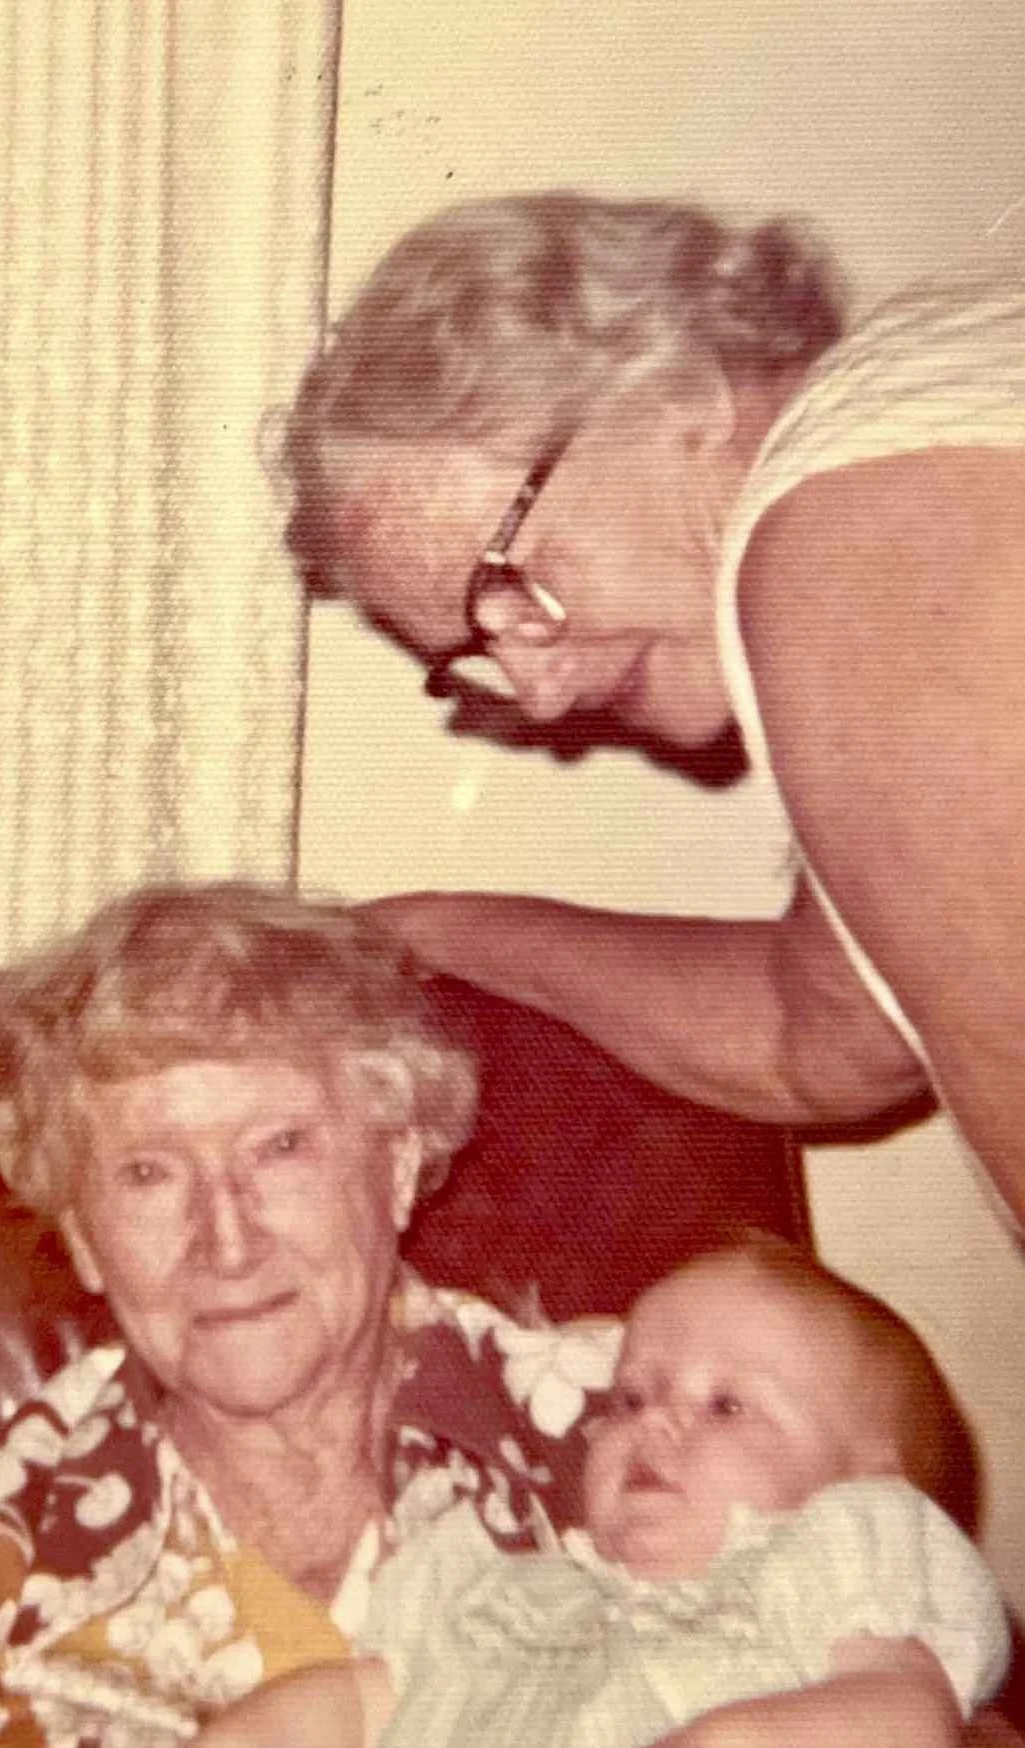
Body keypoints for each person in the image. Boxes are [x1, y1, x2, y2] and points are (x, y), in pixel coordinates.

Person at [0, 882, 626, 1748]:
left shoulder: (630, 1440)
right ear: (82, 1236)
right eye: (148, 1172)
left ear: (399, 1165)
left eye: (280, 1147)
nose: (227, 1240)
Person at [276, 193, 1025, 1238]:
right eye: (476, 652)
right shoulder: (910, 422)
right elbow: (827, 1034)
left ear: (684, 396)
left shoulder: (839, 539)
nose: (541, 696)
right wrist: (413, 931)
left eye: (507, 583)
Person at [97, 1239, 1012, 1748]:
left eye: (727, 1405)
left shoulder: (832, 1555)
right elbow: (357, 1705)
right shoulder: (508, 1592)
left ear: (870, 1479)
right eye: (632, 1396)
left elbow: (914, 1742)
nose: (655, 1422)